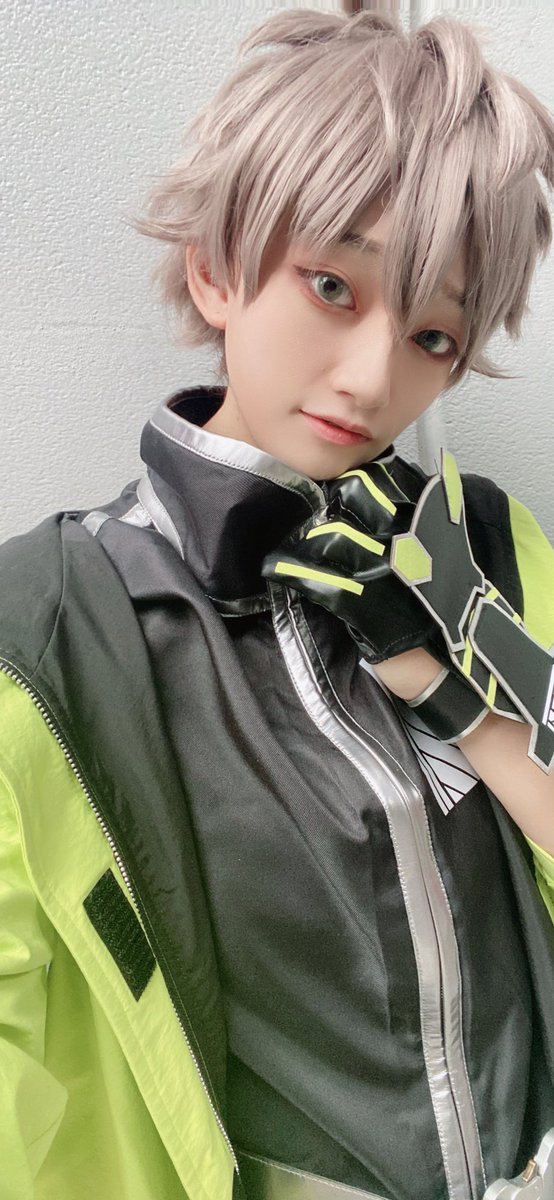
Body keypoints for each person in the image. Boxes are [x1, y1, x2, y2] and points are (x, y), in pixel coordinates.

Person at [1, 7, 553, 1199]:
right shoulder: (43, 629)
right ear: (216, 269)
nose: (372, 378)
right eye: (330, 285)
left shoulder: (485, 547)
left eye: (432, 333)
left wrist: (451, 692)